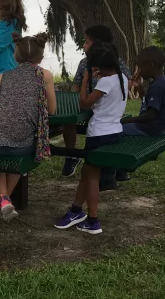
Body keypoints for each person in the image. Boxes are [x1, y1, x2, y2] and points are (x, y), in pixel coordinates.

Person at [0, 32, 57, 222]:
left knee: (0, 156)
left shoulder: (4, 76)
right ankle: (3, 199)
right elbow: (51, 109)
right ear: (41, 57)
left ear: (15, 55)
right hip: (21, 141)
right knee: (17, 152)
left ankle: (3, 199)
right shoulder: (45, 75)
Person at [54, 41, 128, 235]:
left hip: (99, 134)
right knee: (88, 173)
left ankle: (93, 219)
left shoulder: (105, 82)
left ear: (99, 66)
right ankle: (76, 210)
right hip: (114, 131)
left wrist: (86, 79)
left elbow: (85, 103)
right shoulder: (122, 79)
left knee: (91, 176)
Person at [59, 25, 131, 180]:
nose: (83, 45)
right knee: (68, 122)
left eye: (86, 42)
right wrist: (73, 100)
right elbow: (76, 85)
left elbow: (123, 84)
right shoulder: (84, 63)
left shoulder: (116, 63)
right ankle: (71, 155)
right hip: (92, 105)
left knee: (91, 173)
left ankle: (114, 167)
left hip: (102, 110)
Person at [115, 46, 165, 181]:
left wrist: (128, 120)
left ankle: (115, 172)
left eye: (141, 67)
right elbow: (151, 104)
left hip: (149, 128)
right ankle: (120, 170)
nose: (139, 71)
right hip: (159, 126)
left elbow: (151, 115)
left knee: (113, 131)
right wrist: (140, 89)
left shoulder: (158, 86)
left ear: (151, 65)